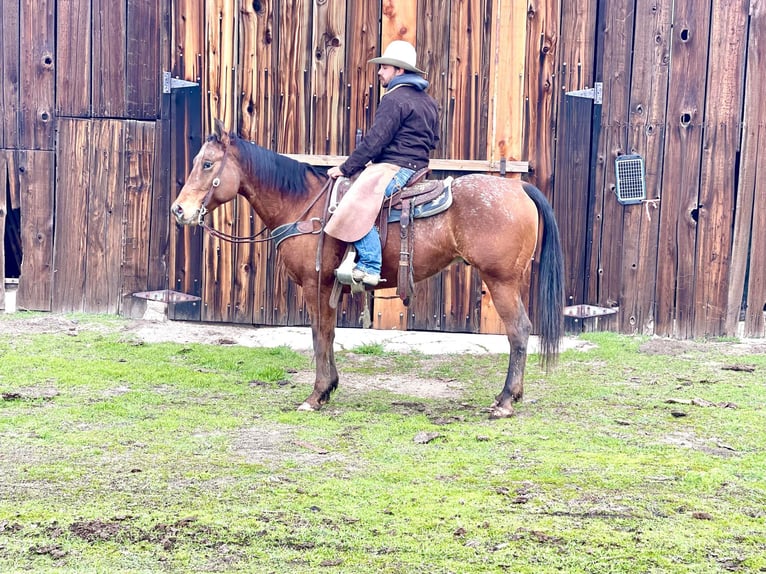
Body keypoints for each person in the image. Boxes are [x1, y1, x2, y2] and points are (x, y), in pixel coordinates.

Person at [324, 40, 440, 286]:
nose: (379, 72)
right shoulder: (428, 102)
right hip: (418, 169)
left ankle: (370, 266)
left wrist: (345, 168)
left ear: (399, 71)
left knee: (354, 203)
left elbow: (375, 141)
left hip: (394, 168)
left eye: (384, 68)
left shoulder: (394, 98)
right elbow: (434, 140)